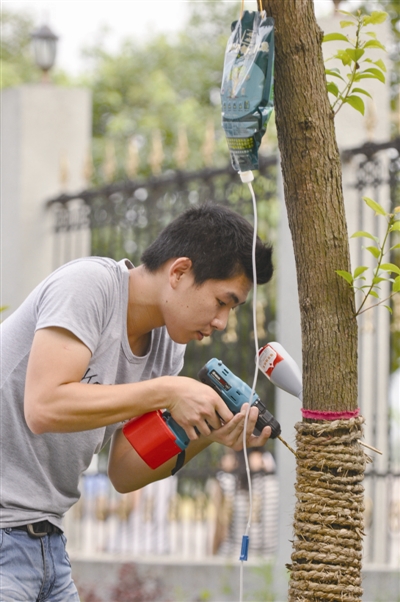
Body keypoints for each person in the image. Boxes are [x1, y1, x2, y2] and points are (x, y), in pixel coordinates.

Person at [0, 202, 273, 601]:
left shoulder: (167, 348)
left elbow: (125, 472)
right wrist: (166, 391)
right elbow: (43, 407)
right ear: (179, 272)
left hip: (47, 544)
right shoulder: (89, 285)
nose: (221, 322)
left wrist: (209, 435)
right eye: (221, 301)